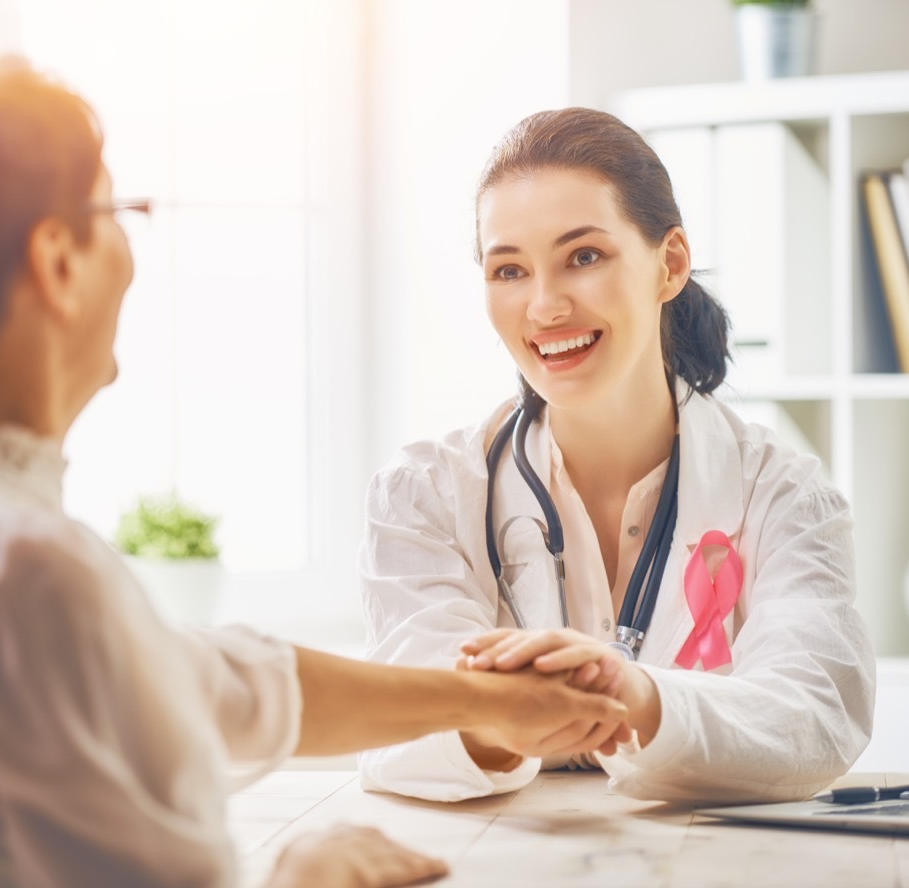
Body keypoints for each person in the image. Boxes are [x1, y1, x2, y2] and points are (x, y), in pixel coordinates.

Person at [0, 61, 633, 888]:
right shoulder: (17, 571)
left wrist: (485, 703)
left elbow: (197, 679)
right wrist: (312, 870)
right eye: (117, 211)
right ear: (58, 262)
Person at [358, 107, 876, 804]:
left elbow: (816, 715)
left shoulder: (784, 494)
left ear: (670, 265)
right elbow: (395, 721)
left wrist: (636, 697)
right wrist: (499, 718)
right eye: (508, 269)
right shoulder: (424, 493)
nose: (544, 307)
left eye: (584, 256)